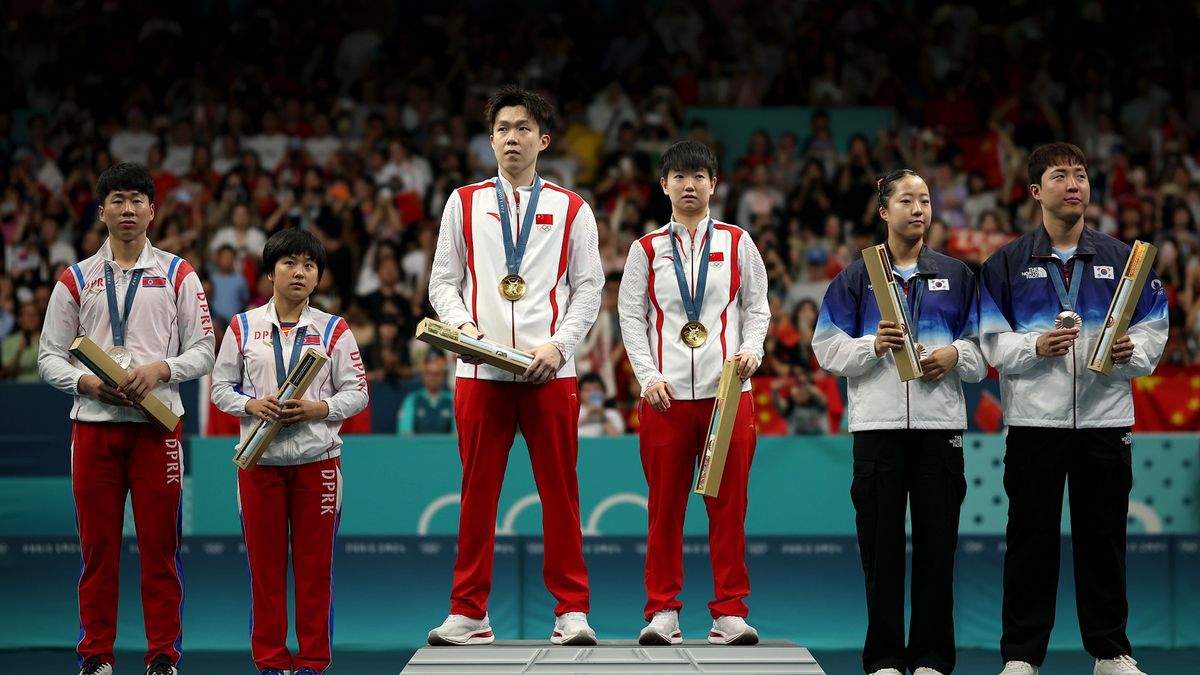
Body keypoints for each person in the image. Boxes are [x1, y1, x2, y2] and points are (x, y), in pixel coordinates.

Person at [979, 143, 1168, 675]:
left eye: (1081, 175)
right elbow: (989, 343)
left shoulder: (1124, 259)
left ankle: (1109, 650)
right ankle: (1021, 655)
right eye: (1060, 176)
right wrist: (1033, 347)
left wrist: (1135, 355)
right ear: (1036, 191)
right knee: (1030, 538)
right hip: (1035, 420)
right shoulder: (1007, 264)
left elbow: (1154, 329)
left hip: (1107, 418)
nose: (1074, 184)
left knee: (1104, 536)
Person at [426, 85, 603, 646]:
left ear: (543, 140)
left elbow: (590, 289)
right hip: (480, 373)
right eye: (502, 127)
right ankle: (469, 612)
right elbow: (442, 283)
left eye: (523, 128)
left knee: (560, 493)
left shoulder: (572, 207)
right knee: (477, 494)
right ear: (491, 138)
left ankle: (571, 609)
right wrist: (467, 332)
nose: (511, 136)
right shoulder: (463, 201)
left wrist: (560, 346)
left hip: (550, 371)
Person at [38, 162, 216, 675]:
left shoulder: (179, 274)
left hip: (157, 427)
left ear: (153, 210)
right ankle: (96, 656)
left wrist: (162, 368)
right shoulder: (75, 280)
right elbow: (49, 356)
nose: (128, 209)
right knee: (98, 552)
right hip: (93, 427)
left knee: (161, 550)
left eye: (138, 199)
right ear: (102, 212)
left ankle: (163, 656)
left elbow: (205, 349)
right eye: (117, 200)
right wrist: (86, 382)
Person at [813, 168, 986, 675]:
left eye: (926, 200)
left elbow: (983, 350)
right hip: (877, 429)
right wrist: (872, 345)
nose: (918, 209)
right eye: (907, 200)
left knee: (937, 548)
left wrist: (955, 354)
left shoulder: (958, 276)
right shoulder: (855, 277)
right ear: (883, 211)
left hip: (940, 430)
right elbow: (826, 347)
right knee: (880, 552)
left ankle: (932, 658)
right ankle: (885, 658)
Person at [617, 140, 770, 646]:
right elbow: (630, 319)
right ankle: (663, 611)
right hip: (664, 398)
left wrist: (752, 351)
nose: (689, 185)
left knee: (729, 507)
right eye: (679, 177)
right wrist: (648, 376)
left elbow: (758, 308)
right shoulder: (645, 249)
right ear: (664, 185)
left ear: (714, 184)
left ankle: (730, 612)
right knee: (665, 510)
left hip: (728, 395)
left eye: (698, 176)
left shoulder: (737, 241)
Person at [210, 227, 368, 675]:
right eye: (289, 263)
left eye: (309, 265)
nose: (299, 272)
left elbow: (358, 392)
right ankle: (271, 662)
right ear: (269, 272)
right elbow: (220, 388)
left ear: (318, 277)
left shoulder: (334, 329)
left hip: (318, 465)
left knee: (316, 572)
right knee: (266, 571)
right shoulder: (242, 327)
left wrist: (320, 407)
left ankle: (313, 663)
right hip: (259, 463)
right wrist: (250, 403)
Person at [398, 353, 455, 434]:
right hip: (417, 446)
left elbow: (457, 436)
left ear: (444, 376)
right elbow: (405, 435)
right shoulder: (412, 399)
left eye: (437, 374)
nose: (432, 378)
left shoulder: (452, 400)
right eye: (429, 373)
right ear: (423, 375)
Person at [577, 372, 624, 436]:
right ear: (579, 393)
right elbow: (565, 433)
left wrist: (602, 416)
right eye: (587, 390)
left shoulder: (613, 414)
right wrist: (587, 416)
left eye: (596, 389)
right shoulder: (574, 413)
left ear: (604, 392)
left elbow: (620, 440)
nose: (592, 393)